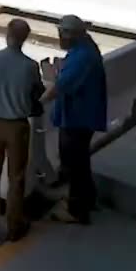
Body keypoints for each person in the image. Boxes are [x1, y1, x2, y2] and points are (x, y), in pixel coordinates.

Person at [0, 18, 44, 242]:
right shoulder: (30, 66)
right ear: (25, 39)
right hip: (17, 127)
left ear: (6, 35)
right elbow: (38, 91)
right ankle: (14, 227)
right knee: (16, 178)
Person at [41, 15, 107, 225]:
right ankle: (88, 199)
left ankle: (77, 210)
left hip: (77, 119)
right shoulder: (86, 48)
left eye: (62, 33)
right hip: (83, 116)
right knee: (81, 162)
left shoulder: (82, 57)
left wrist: (38, 103)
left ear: (71, 35)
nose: (59, 37)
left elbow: (61, 86)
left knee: (73, 164)